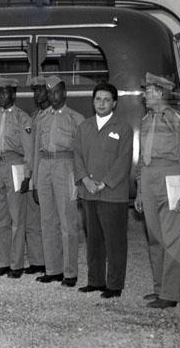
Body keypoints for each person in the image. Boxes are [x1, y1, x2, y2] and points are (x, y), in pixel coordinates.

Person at [135, 73, 180, 308]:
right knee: (155, 238)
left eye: (149, 91)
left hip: (171, 177)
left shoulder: (177, 120)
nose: (145, 95)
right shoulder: (146, 120)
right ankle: (159, 288)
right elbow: (142, 158)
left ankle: (170, 294)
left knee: (172, 239)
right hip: (149, 179)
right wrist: (140, 190)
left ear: (161, 93)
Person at [73, 83, 133, 298]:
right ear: (93, 101)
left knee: (115, 241)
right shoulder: (84, 127)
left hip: (112, 194)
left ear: (114, 103)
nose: (102, 103)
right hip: (88, 192)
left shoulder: (123, 128)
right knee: (94, 240)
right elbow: (77, 156)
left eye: (107, 100)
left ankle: (114, 285)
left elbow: (124, 160)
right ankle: (95, 281)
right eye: (98, 99)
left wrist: (104, 183)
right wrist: (84, 180)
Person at [33, 75, 84, 286]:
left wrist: (80, 179)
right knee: (47, 221)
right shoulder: (41, 118)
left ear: (64, 93)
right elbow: (36, 151)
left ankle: (70, 272)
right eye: (49, 92)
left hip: (66, 167)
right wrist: (35, 181)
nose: (52, 96)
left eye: (56, 92)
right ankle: (52, 269)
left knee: (68, 221)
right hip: (45, 166)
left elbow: (82, 153)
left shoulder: (76, 119)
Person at [0, 77, 33, 278]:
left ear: (13, 94)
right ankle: (3, 262)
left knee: (17, 218)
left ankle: (16, 265)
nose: (1, 96)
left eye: (5, 92)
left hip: (15, 164)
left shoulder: (22, 118)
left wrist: (27, 175)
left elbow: (29, 150)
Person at [23, 76, 48, 274]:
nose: (36, 94)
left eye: (40, 90)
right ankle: (37, 261)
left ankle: (51, 262)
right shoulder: (35, 116)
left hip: (47, 173)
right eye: (35, 91)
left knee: (49, 221)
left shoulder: (54, 115)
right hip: (33, 172)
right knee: (31, 221)